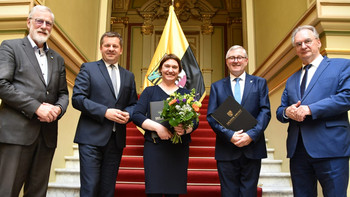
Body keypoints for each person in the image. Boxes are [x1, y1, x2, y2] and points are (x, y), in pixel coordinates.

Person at [0, 5, 69, 197]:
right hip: (16, 134)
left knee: (38, 193)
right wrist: (36, 108)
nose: (44, 26)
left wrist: (57, 109)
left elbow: (63, 94)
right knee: (7, 191)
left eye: (49, 23)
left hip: (46, 136)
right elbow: (2, 84)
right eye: (40, 21)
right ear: (29, 22)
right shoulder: (10, 47)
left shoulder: (58, 59)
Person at [276, 25, 350, 197]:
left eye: (307, 41)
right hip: (298, 151)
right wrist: (288, 112)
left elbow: (346, 97)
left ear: (318, 42)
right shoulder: (292, 79)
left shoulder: (341, 66)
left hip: (331, 148)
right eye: (298, 44)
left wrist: (310, 109)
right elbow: (280, 110)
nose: (303, 46)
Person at [72, 32, 138, 197]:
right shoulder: (88, 68)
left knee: (107, 190)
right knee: (90, 187)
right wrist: (105, 112)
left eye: (115, 46)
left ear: (121, 50)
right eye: (107, 45)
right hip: (90, 139)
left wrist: (128, 114)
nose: (111, 49)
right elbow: (78, 99)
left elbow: (133, 104)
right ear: (101, 48)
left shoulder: (128, 76)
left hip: (115, 141)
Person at [207, 45, 271, 197]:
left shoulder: (259, 83)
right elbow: (211, 116)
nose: (236, 61)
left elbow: (265, 111)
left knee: (249, 192)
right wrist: (230, 135)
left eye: (239, 57)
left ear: (246, 61)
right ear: (227, 62)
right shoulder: (217, 87)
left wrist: (251, 135)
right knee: (228, 192)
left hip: (252, 147)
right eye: (232, 58)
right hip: (226, 148)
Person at [132, 54, 198, 197]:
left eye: (174, 67)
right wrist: (158, 127)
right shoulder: (149, 92)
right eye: (167, 66)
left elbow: (195, 120)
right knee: (154, 192)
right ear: (160, 69)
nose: (170, 70)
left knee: (173, 193)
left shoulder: (186, 94)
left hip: (178, 150)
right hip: (155, 148)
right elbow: (136, 115)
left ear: (179, 71)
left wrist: (186, 129)